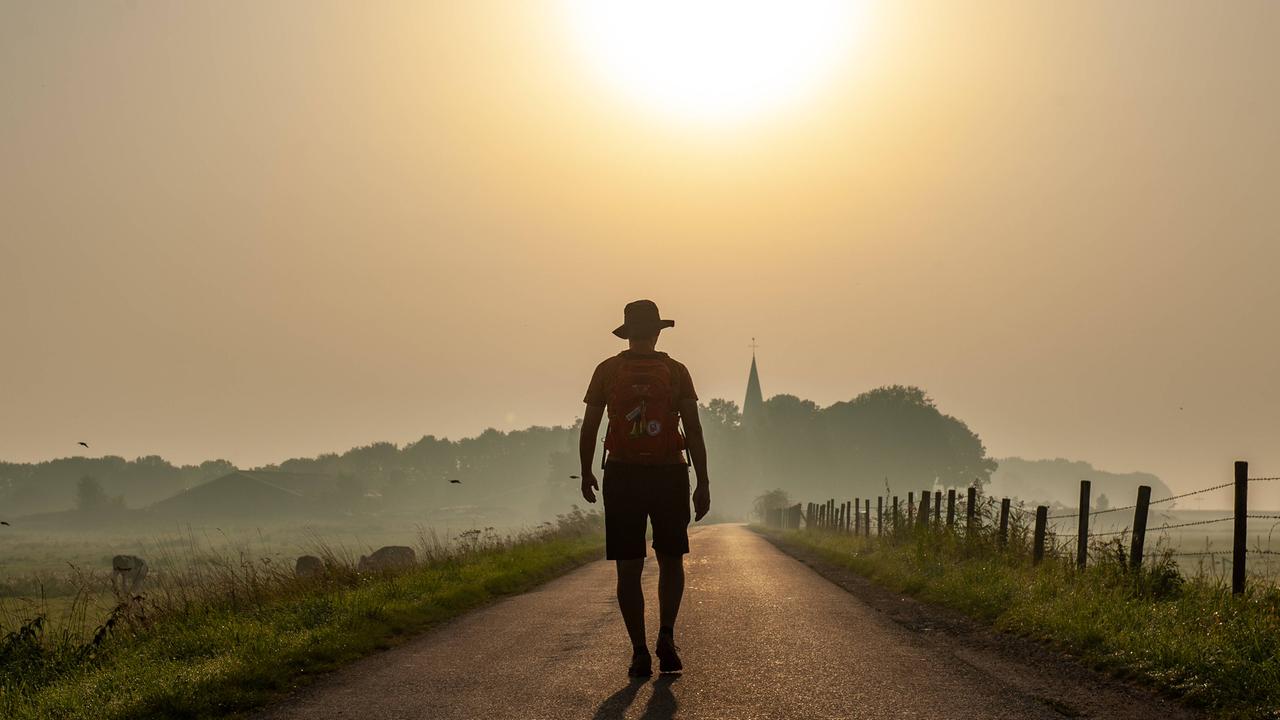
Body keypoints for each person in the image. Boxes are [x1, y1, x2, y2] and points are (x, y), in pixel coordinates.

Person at [580, 299, 711, 677]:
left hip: (621, 475)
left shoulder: (606, 370)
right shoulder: (675, 371)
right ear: (657, 332)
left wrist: (586, 471)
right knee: (671, 559)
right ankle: (666, 636)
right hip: (669, 473)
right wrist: (702, 481)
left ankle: (638, 651)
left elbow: (589, 428)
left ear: (626, 333)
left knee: (629, 567)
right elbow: (695, 429)